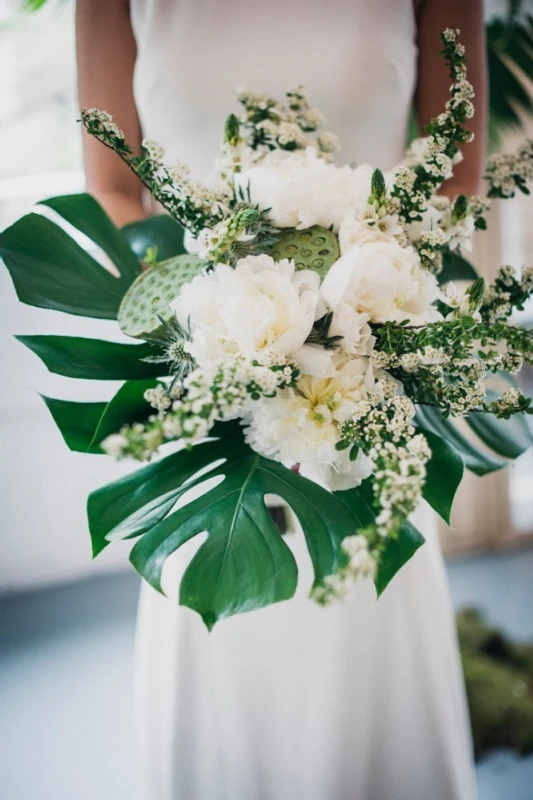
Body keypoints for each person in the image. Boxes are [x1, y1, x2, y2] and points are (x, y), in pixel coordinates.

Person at [76, 2, 486, 798]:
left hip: (370, 384)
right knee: (227, 656)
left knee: (367, 648)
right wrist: (205, 326)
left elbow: (457, 173)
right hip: (204, 379)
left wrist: (351, 318)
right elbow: (111, 186)